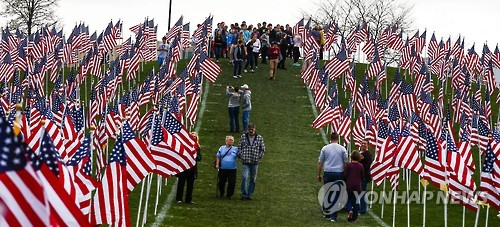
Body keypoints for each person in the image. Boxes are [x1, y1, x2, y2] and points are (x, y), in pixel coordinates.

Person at [317, 132, 348, 222]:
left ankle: (327, 213)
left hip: (328, 172)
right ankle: (333, 216)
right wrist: (346, 173)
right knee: (336, 194)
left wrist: (318, 174)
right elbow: (346, 162)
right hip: (338, 172)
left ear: (330, 138)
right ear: (338, 139)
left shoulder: (325, 148)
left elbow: (320, 162)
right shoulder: (342, 149)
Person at [237, 123, 265, 200]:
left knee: (253, 179)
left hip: (254, 162)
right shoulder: (243, 137)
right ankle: (244, 194)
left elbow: (262, 149)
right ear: (247, 130)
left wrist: (259, 157)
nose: (251, 131)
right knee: (244, 177)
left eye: (252, 129)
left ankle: (249, 194)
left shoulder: (259, 138)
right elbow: (239, 147)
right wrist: (241, 155)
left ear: (255, 129)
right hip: (245, 161)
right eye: (250, 129)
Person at [176, 132, 202, 204]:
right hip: (184, 167)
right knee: (181, 183)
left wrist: (196, 155)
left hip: (192, 168)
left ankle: (188, 199)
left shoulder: (197, 147)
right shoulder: (184, 146)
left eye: (195, 137)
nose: (193, 138)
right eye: (192, 136)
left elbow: (199, 158)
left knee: (190, 185)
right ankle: (179, 198)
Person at [344, 151, 364, 223]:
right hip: (357, 186)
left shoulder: (349, 165)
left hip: (349, 185)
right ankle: (354, 219)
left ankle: (349, 210)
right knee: (356, 202)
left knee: (348, 200)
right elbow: (362, 176)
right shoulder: (360, 166)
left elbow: (345, 175)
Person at [359, 139, 372, 214]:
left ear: (368, 145)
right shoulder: (360, 153)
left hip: (364, 177)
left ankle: (363, 210)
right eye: (362, 143)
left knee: (362, 193)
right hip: (359, 176)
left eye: (365, 143)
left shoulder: (367, 154)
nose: (363, 145)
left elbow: (367, 166)